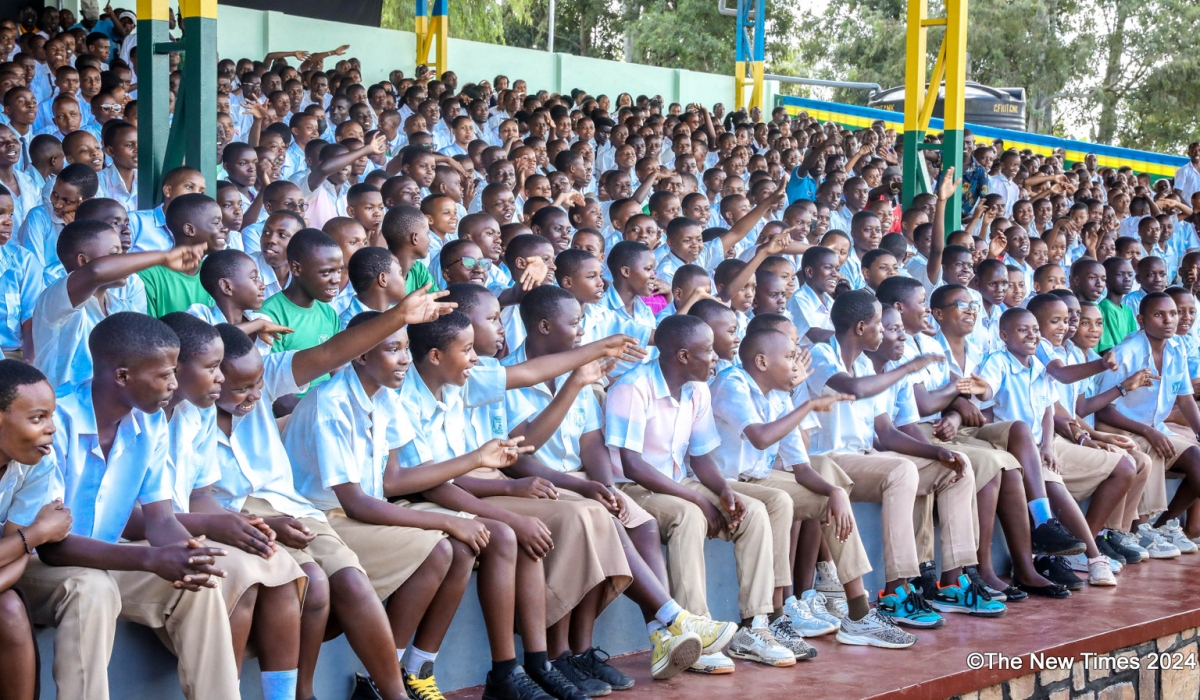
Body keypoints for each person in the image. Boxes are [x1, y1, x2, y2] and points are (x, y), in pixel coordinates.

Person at [18, 312, 242, 700]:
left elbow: (160, 519)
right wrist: (151, 560)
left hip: (104, 558)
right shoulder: (59, 422)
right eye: (165, 374)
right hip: (36, 565)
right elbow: (53, 546)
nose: (175, 385)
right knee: (91, 588)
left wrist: (188, 554)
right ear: (122, 376)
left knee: (198, 587)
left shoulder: (150, 423)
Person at [606, 314, 797, 672]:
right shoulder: (632, 388)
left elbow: (700, 456)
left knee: (752, 511)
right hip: (633, 487)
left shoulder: (698, 389)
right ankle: (700, 631)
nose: (716, 358)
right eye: (708, 351)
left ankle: (755, 626)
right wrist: (695, 497)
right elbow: (631, 465)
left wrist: (723, 491)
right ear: (682, 355)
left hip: (679, 480)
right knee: (688, 515)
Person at [804, 289, 978, 628]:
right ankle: (896, 590)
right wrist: (909, 367)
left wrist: (937, 453)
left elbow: (885, 433)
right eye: (878, 326)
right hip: (827, 460)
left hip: (863, 457)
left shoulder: (868, 364)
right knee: (900, 470)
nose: (883, 333)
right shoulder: (822, 355)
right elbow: (854, 389)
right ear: (859, 328)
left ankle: (955, 580)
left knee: (957, 467)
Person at [32, 219, 203, 391]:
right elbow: (95, 271)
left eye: (123, 252)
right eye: (115, 255)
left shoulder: (122, 307)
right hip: (62, 411)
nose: (124, 261)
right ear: (83, 261)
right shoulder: (55, 300)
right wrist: (163, 257)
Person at [0, 360, 75, 700]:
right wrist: (38, 534)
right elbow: (22, 541)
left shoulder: (37, 463)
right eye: (37, 418)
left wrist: (26, 541)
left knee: (11, 610)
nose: (52, 429)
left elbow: (13, 549)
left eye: (51, 416)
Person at [139, 193, 228, 317]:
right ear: (190, 230)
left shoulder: (213, 273)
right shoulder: (149, 275)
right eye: (216, 223)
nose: (224, 228)